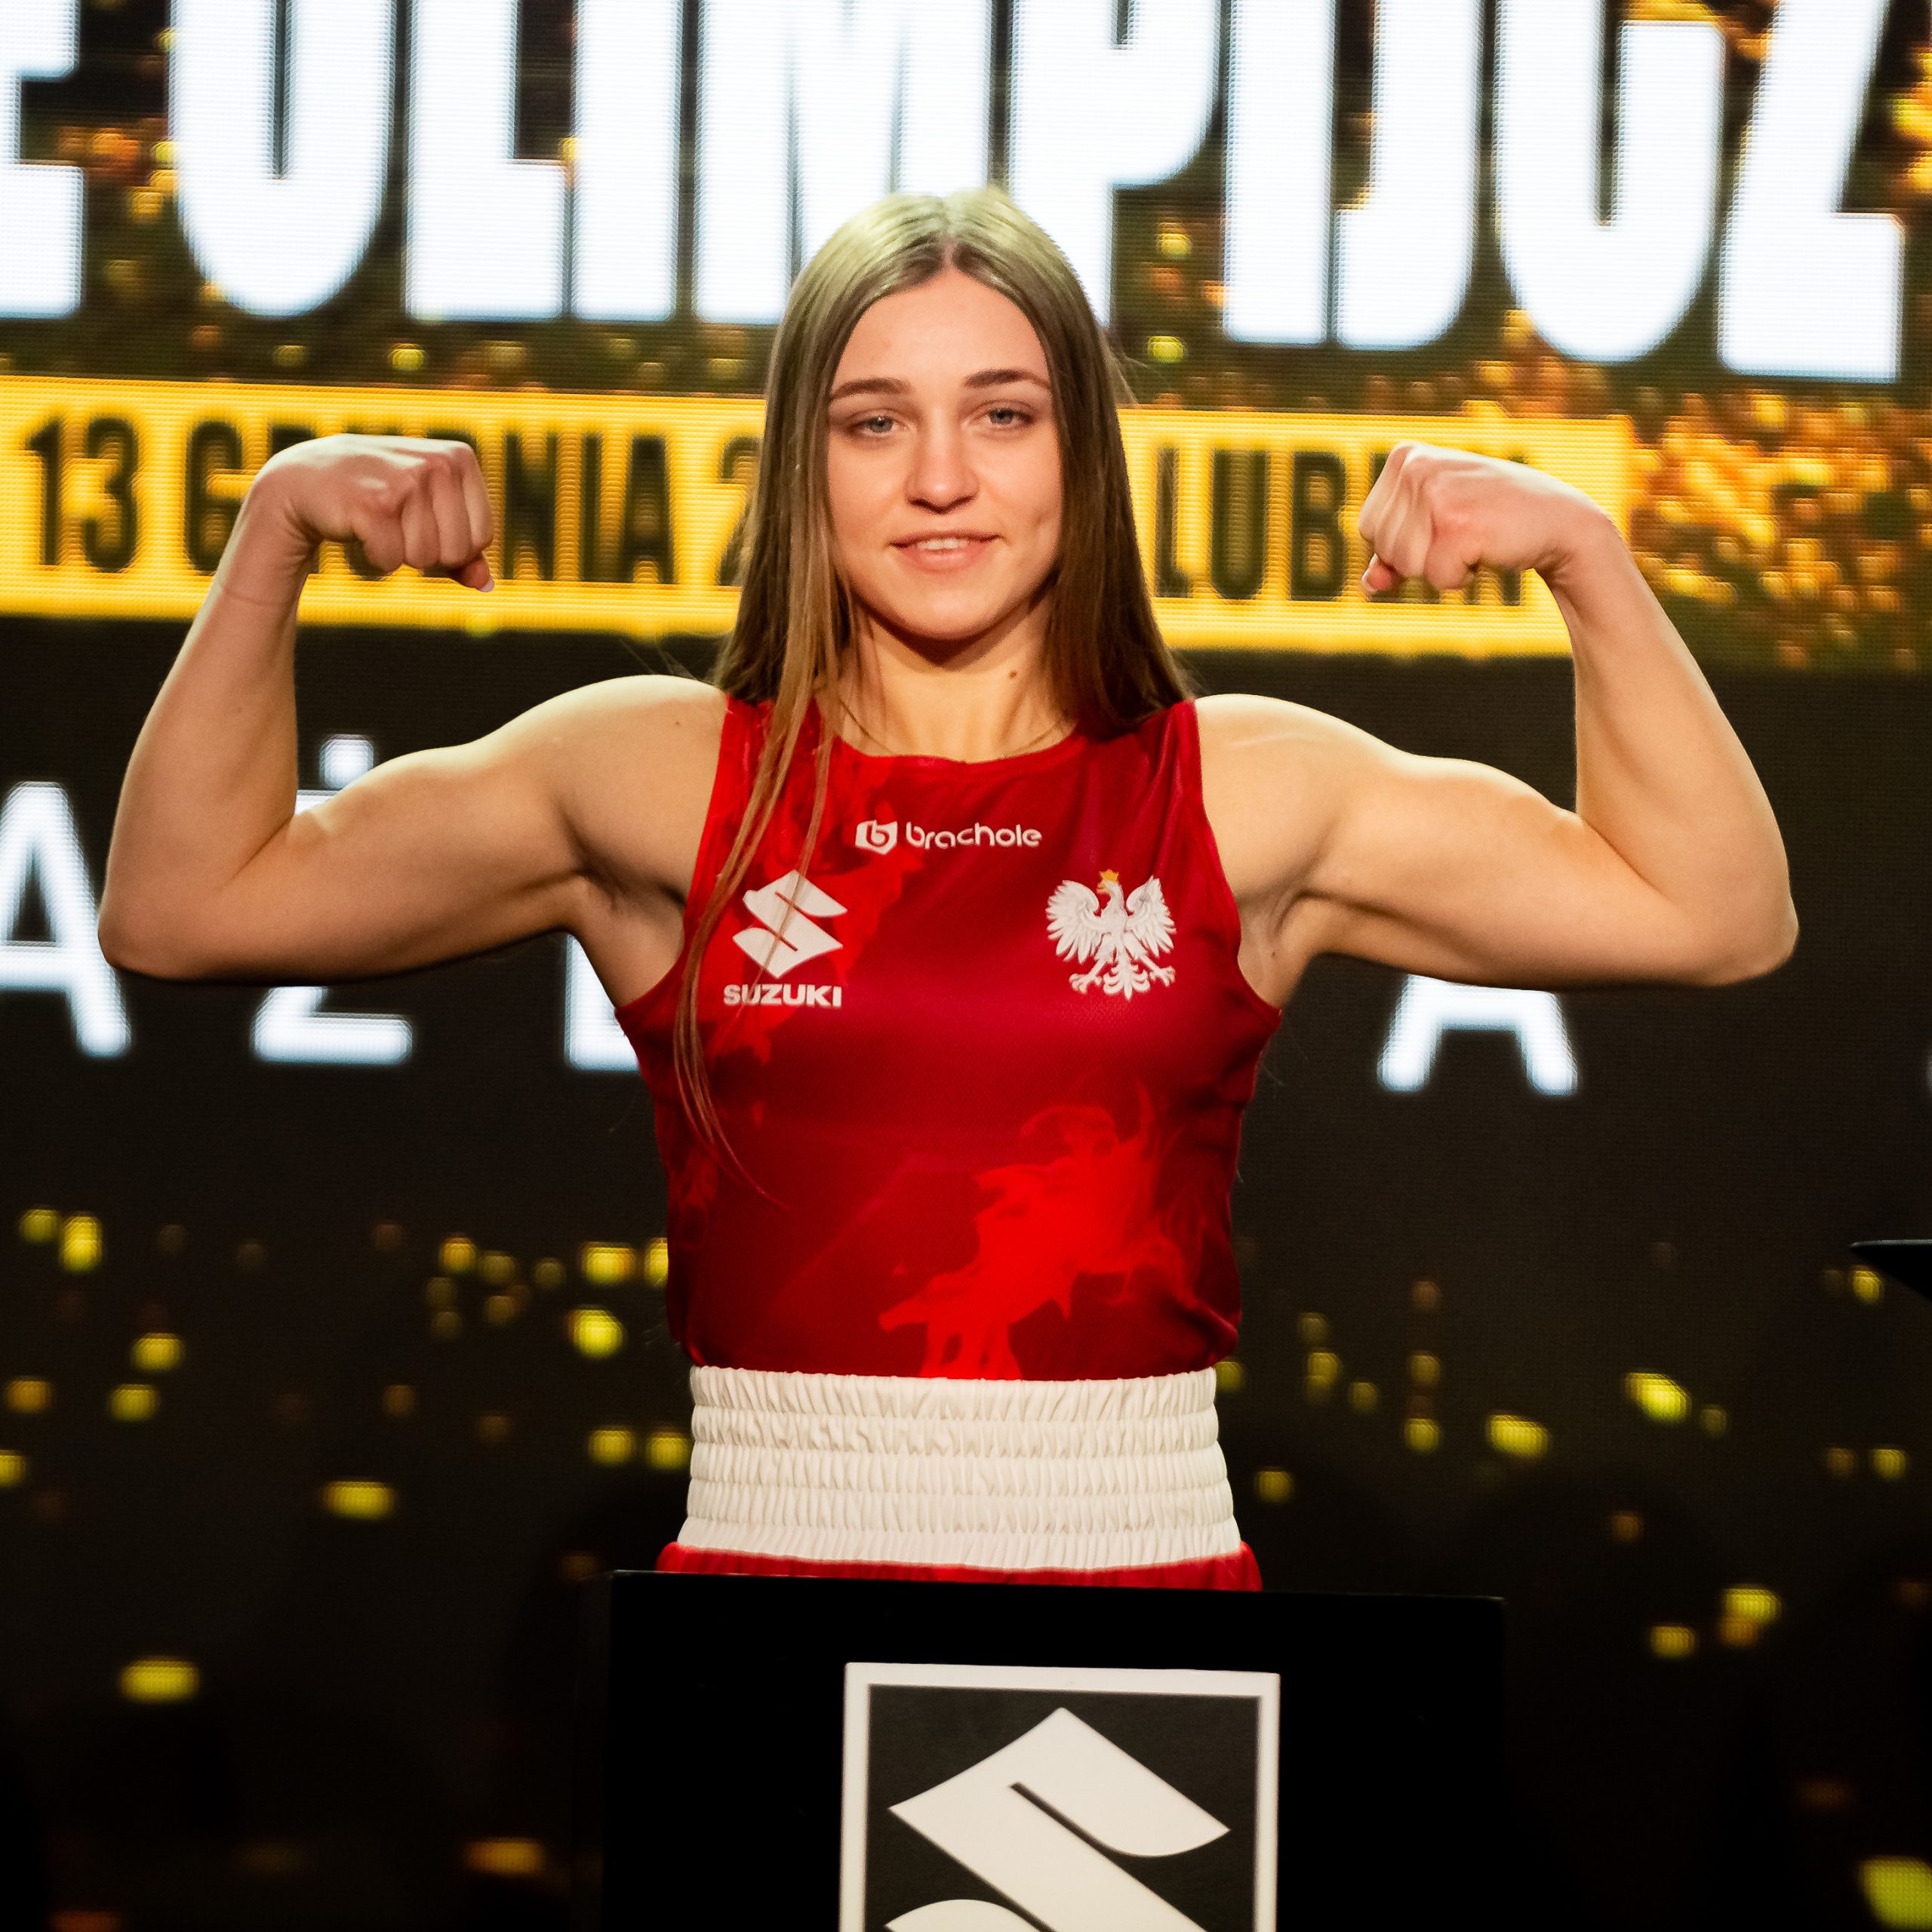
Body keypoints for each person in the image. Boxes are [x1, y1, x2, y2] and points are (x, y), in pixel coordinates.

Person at [98, 186, 1796, 1589]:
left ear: (1079, 452)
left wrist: (1586, 557)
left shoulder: (1239, 788)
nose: (939, 477)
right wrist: (273, 536)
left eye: (1002, 414)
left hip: (1138, 1583)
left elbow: (1710, 912)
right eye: (874, 421)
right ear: (804, 460)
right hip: (768, 1579)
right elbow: (186, 907)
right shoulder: (662, 772)